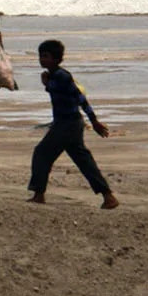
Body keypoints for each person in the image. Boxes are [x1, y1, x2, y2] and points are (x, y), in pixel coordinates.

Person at [28, 39, 118, 209]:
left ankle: (39, 195)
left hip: (67, 124)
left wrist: (94, 121)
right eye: (40, 56)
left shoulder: (62, 76)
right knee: (83, 161)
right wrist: (47, 84)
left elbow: (80, 98)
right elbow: (59, 92)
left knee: (42, 153)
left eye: (46, 56)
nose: (42, 59)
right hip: (68, 124)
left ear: (57, 59)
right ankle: (108, 196)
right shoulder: (53, 76)